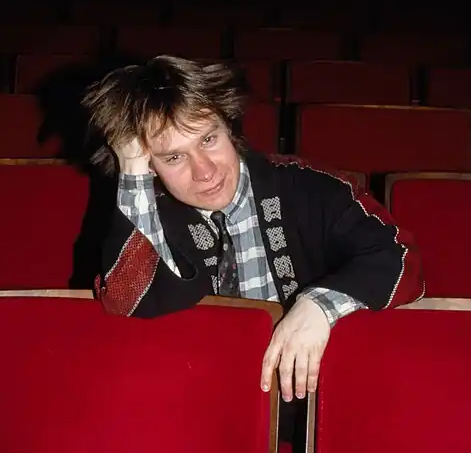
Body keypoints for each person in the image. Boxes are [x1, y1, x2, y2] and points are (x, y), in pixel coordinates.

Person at [82, 55, 424, 403]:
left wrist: (319, 305)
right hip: (193, 401)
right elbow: (125, 303)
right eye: (174, 157)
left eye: (208, 139)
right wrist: (131, 170)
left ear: (229, 127)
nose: (205, 172)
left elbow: (399, 257)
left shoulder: (310, 188)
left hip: (313, 401)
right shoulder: (148, 216)